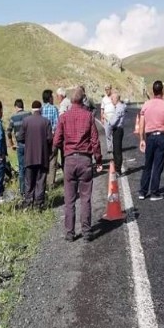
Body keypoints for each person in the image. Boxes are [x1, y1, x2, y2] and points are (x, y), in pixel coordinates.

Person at [53, 87, 103, 242]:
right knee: (85, 197)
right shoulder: (88, 116)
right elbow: (95, 141)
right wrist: (99, 159)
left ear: (71, 100)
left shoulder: (64, 117)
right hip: (85, 159)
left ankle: (70, 232)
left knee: (69, 199)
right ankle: (86, 231)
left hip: (69, 160)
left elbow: (56, 141)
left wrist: (58, 154)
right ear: (83, 100)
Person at [138, 80, 164, 201]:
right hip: (161, 137)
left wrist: (142, 139)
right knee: (157, 166)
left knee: (147, 164)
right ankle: (154, 192)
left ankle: (142, 191)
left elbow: (141, 124)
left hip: (150, 137)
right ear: (162, 91)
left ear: (153, 91)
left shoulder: (146, 105)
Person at [17, 100, 52, 209]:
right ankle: (39, 203)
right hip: (42, 156)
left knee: (29, 181)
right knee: (40, 181)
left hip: (29, 156)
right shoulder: (46, 121)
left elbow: (20, 138)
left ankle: (28, 202)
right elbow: (50, 139)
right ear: (40, 109)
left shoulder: (26, 121)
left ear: (32, 109)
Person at [7, 99, 31, 196]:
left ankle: (22, 190)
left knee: (21, 168)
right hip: (30, 144)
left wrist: (12, 143)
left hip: (20, 145)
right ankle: (30, 187)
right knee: (30, 166)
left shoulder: (13, 117)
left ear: (16, 107)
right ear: (23, 106)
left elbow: (8, 131)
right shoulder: (29, 114)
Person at [41, 89, 60, 186]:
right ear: (49, 98)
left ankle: (43, 182)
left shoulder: (40, 109)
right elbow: (57, 124)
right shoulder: (54, 109)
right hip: (52, 138)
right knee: (52, 160)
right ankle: (51, 183)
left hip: (42, 139)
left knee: (43, 159)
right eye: (52, 97)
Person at [107, 92, 126, 175]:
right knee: (115, 150)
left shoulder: (119, 108)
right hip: (117, 129)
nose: (111, 100)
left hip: (118, 129)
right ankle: (116, 167)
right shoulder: (119, 107)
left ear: (116, 99)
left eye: (112, 99)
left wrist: (109, 121)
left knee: (117, 150)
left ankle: (118, 169)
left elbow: (114, 121)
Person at [101, 84, 115, 153]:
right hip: (106, 118)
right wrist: (102, 118)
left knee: (114, 133)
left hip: (113, 118)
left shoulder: (113, 97)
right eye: (106, 89)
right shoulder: (104, 99)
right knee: (107, 134)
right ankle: (109, 148)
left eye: (108, 89)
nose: (107, 91)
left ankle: (114, 147)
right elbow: (102, 109)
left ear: (110, 89)